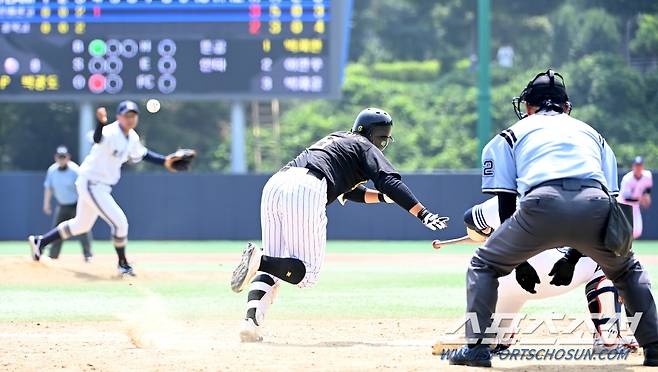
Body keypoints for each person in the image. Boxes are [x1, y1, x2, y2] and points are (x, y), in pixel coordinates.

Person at [449, 69, 658, 367]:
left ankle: (477, 349)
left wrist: (518, 262)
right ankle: (654, 347)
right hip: (595, 203)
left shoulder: (507, 136)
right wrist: (573, 258)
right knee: (627, 270)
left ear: (528, 107)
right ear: (567, 107)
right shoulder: (594, 135)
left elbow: (506, 202)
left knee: (483, 264)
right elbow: (610, 201)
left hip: (540, 204)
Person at [230, 107, 449, 342]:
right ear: (371, 134)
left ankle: (250, 324)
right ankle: (258, 258)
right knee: (307, 275)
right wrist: (422, 213)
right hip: (306, 188)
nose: (382, 144)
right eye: (382, 138)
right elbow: (389, 181)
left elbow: (352, 193)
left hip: (277, 183)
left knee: (276, 266)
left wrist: (386, 197)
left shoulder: (338, 139)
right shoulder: (364, 145)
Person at [28, 101, 194, 276]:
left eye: (133, 115)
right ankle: (122, 264)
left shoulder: (132, 138)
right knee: (120, 223)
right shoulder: (110, 131)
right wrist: (100, 123)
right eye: (127, 115)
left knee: (81, 225)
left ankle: (41, 242)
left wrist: (165, 161)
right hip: (91, 183)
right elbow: (97, 139)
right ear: (119, 117)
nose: (130, 119)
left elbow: (143, 154)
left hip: (99, 186)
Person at [456, 196, 637, 352]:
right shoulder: (582, 196)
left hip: (511, 280)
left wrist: (484, 234)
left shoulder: (502, 199)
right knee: (609, 257)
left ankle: (493, 336)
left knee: (488, 265)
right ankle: (608, 337)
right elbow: (618, 235)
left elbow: (470, 220)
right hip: (566, 273)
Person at [43, 145, 93, 261]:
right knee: (57, 230)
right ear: (56, 157)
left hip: (76, 204)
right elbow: (48, 187)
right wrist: (46, 204)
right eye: (60, 157)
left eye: (63, 157)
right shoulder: (52, 170)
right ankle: (53, 255)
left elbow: (82, 187)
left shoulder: (75, 170)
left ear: (68, 157)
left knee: (83, 228)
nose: (61, 159)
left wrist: (86, 203)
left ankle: (88, 255)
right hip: (62, 205)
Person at [618, 156, 652, 239]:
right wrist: (640, 199)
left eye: (640, 165)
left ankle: (627, 245)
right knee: (623, 229)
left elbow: (648, 188)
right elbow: (626, 198)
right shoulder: (627, 179)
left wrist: (647, 195)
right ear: (633, 166)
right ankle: (625, 246)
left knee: (637, 231)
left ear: (643, 166)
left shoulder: (647, 175)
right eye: (636, 165)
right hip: (623, 206)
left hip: (635, 206)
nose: (638, 167)